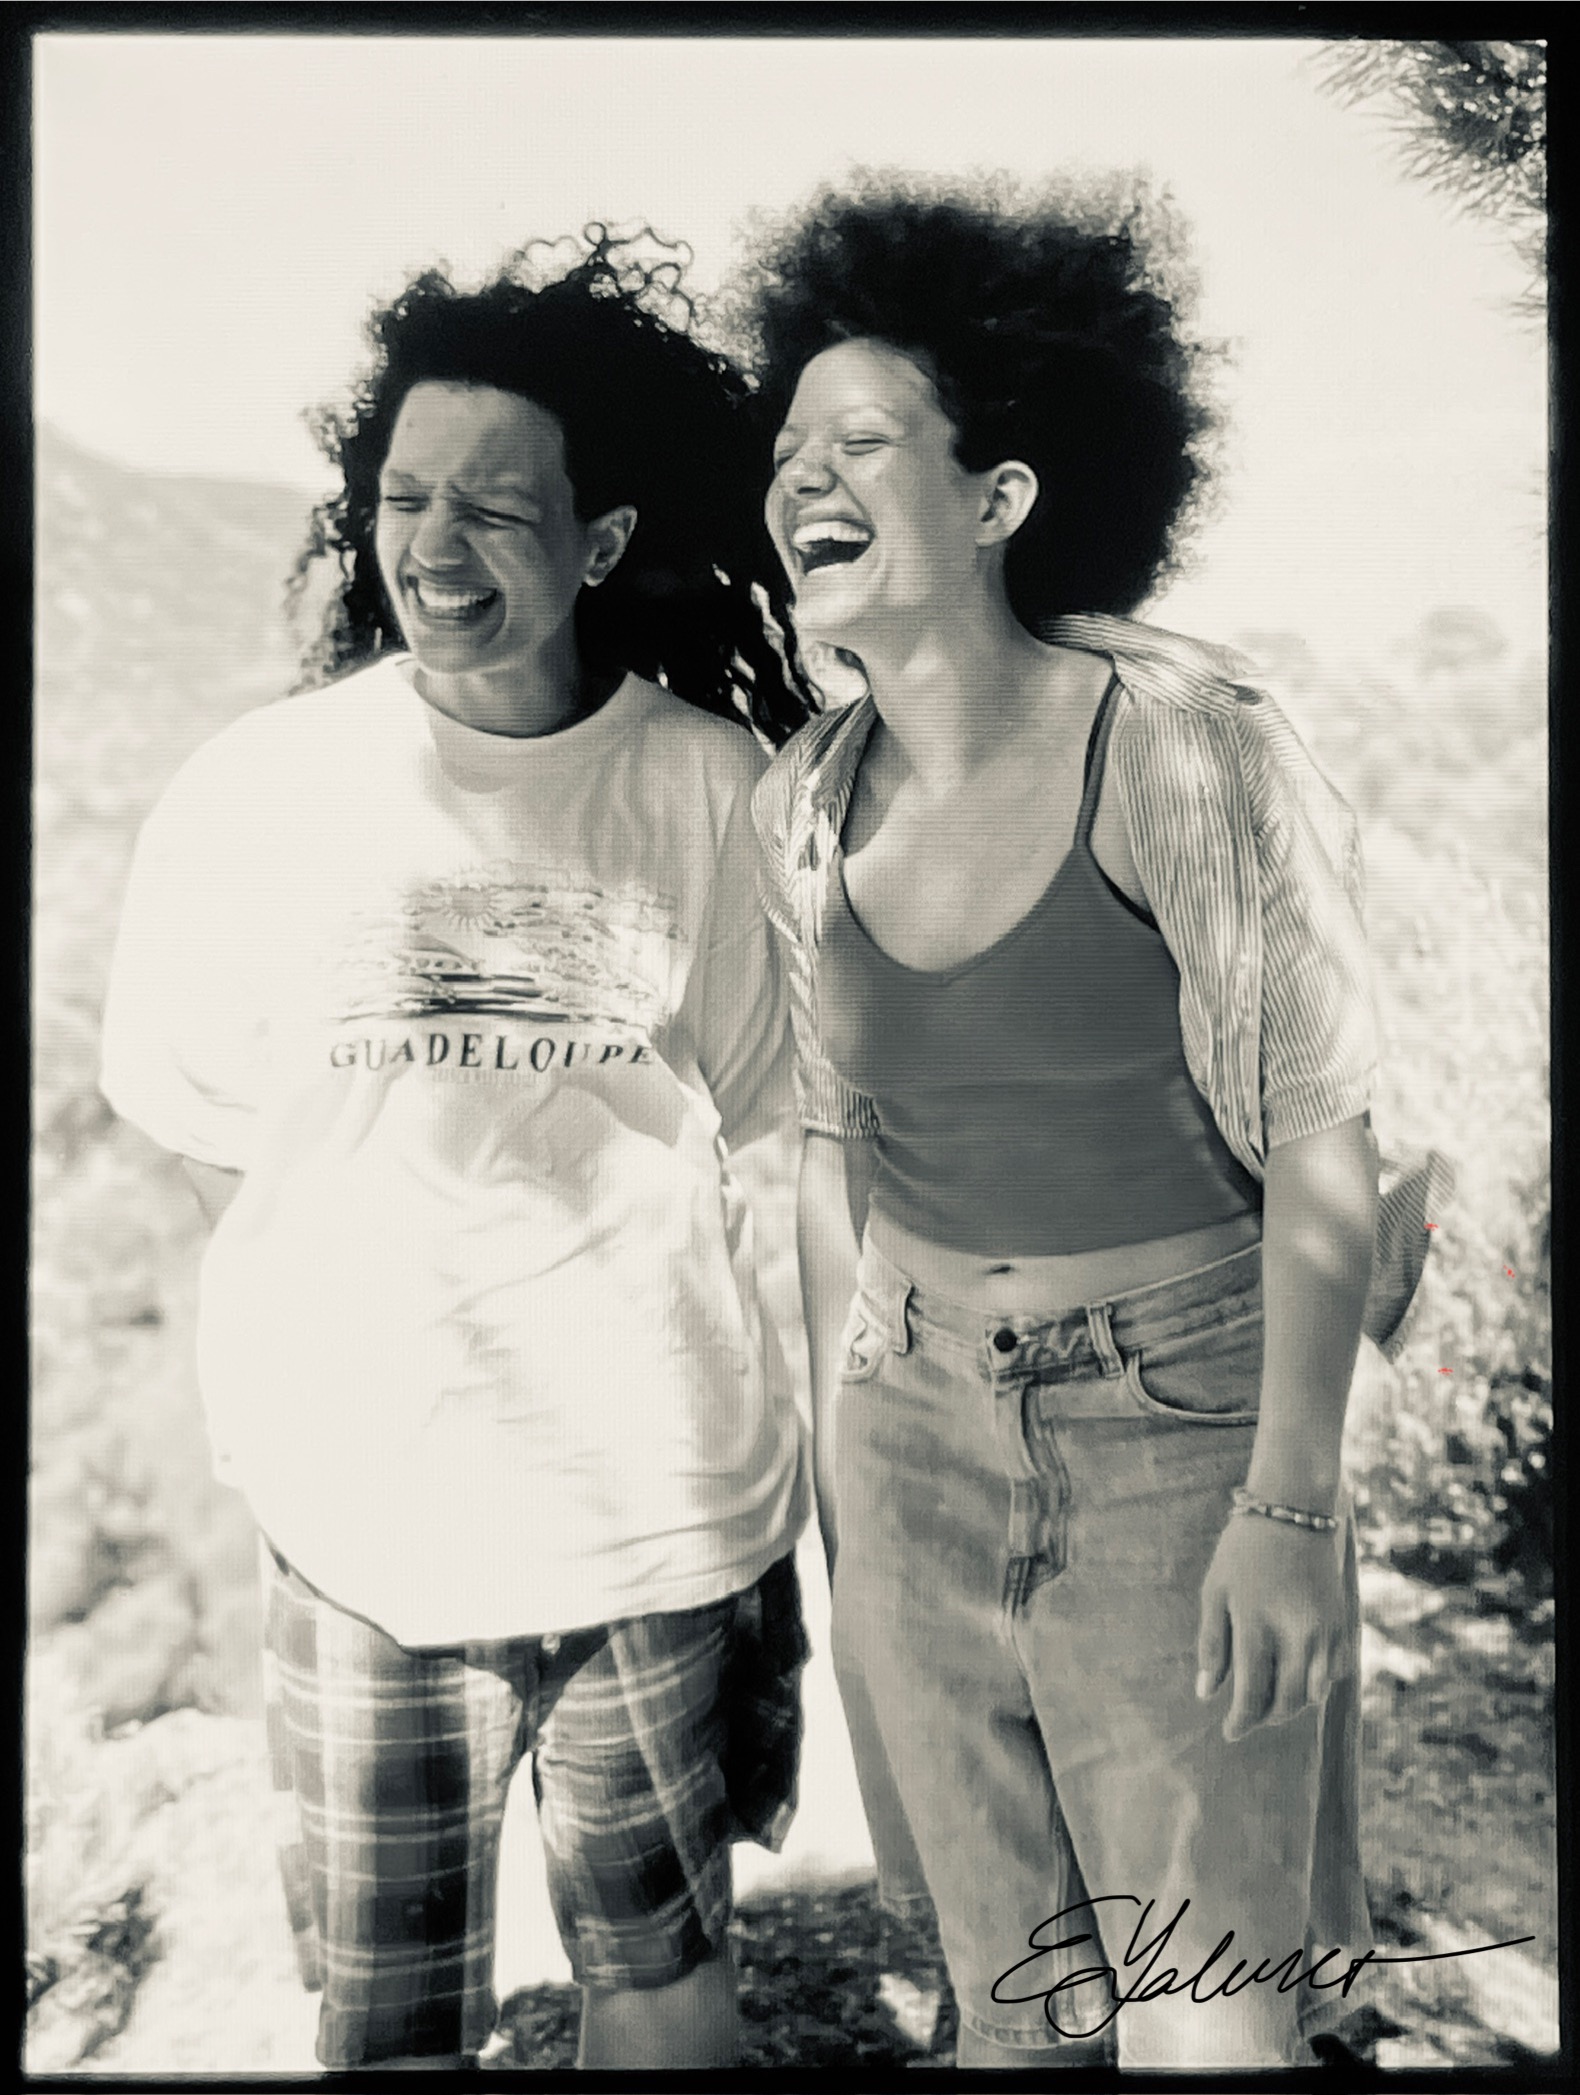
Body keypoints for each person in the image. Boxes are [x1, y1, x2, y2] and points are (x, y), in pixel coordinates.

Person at [742, 177, 1446, 2070]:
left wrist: (1288, 1505)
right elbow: (828, 1153)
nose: (803, 473)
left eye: (862, 438)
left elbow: (1319, 1139)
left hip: (1180, 1429)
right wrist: (851, 1511)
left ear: (999, 497)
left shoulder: (1179, 748)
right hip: (913, 1435)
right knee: (1015, 2018)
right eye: (789, 444)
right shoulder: (801, 803)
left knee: (1206, 2028)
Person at [100, 232, 813, 2072]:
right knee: (393, 2020)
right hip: (367, 1521)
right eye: (405, 497)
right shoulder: (256, 796)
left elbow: (753, 1120)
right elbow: (216, 1144)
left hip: (653, 1508)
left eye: (494, 508)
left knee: (665, 1988)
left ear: (600, 540)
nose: (432, 545)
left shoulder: (708, 792)